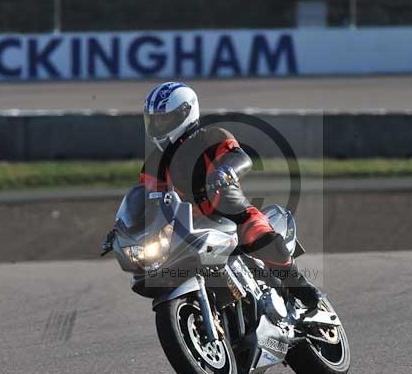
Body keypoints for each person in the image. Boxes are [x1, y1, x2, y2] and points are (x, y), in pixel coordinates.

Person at [133, 81, 323, 309]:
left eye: (163, 118)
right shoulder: (153, 164)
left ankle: (299, 285)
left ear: (184, 113)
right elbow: (144, 197)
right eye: (154, 119)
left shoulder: (211, 136)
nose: (157, 125)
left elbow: (241, 158)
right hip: (187, 227)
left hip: (227, 209)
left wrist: (226, 170)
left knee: (254, 229)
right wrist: (125, 226)